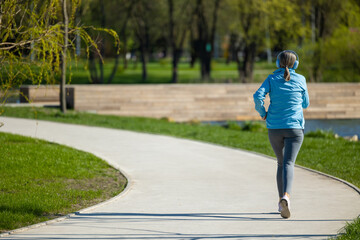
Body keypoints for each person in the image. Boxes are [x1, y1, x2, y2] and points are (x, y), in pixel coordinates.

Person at [253, 50, 310, 219]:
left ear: (278, 64)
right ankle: (286, 196)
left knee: (280, 163)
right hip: (295, 129)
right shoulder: (301, 79)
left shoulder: (271, 79)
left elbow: (257, 96)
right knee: (289, 163)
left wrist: (262, 112)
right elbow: (306, 104)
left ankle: (280, 201)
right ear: (296, 64)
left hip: (275, 128)